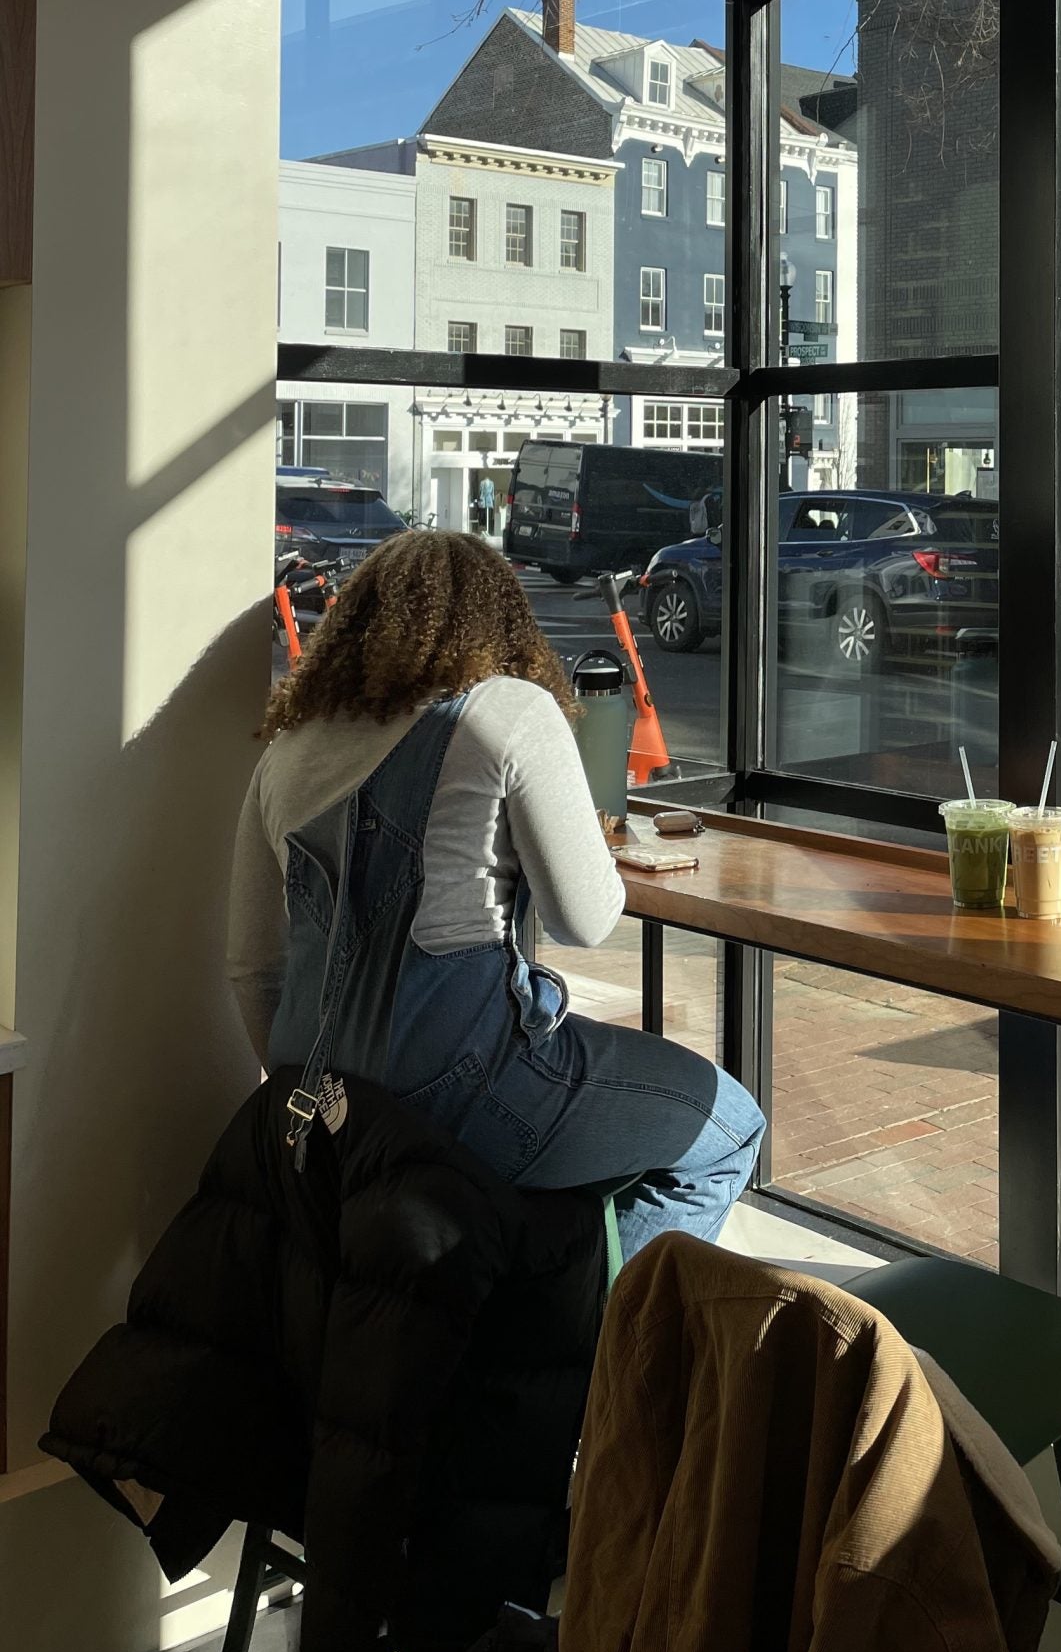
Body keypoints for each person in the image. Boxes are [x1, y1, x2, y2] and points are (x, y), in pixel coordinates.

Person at [228, 530, 762, 1257]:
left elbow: (254, 968)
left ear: (354, 624)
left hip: (319, 1101)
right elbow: (585, 921)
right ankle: (603, 1360)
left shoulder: (287, 748)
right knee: (729, 1127)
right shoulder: (506, 709)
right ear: (501, 620)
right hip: (461, 1089)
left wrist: (343, 1102)